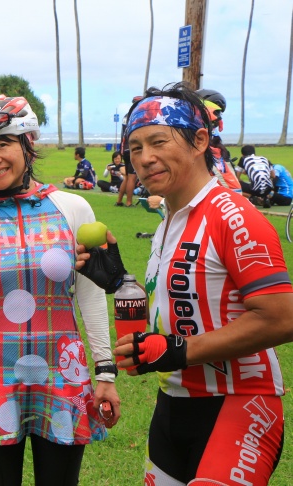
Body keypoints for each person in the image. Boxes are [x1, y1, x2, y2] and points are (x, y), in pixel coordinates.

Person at [77, 82, 293, 485]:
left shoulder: (234, 217)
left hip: (240, 405)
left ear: (199, 140)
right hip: (171, 408)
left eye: (158, 141)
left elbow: (282, 318)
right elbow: (181, 301)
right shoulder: (171, 220)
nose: (145, 158)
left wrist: (180, 351)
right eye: (135, 148)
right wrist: (121, 281)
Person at [0, 94, 120, 486]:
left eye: (3, 143)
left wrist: (106, 372)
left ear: (28, 143)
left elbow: (90, 294)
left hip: (63, 374)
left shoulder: (73, 208)